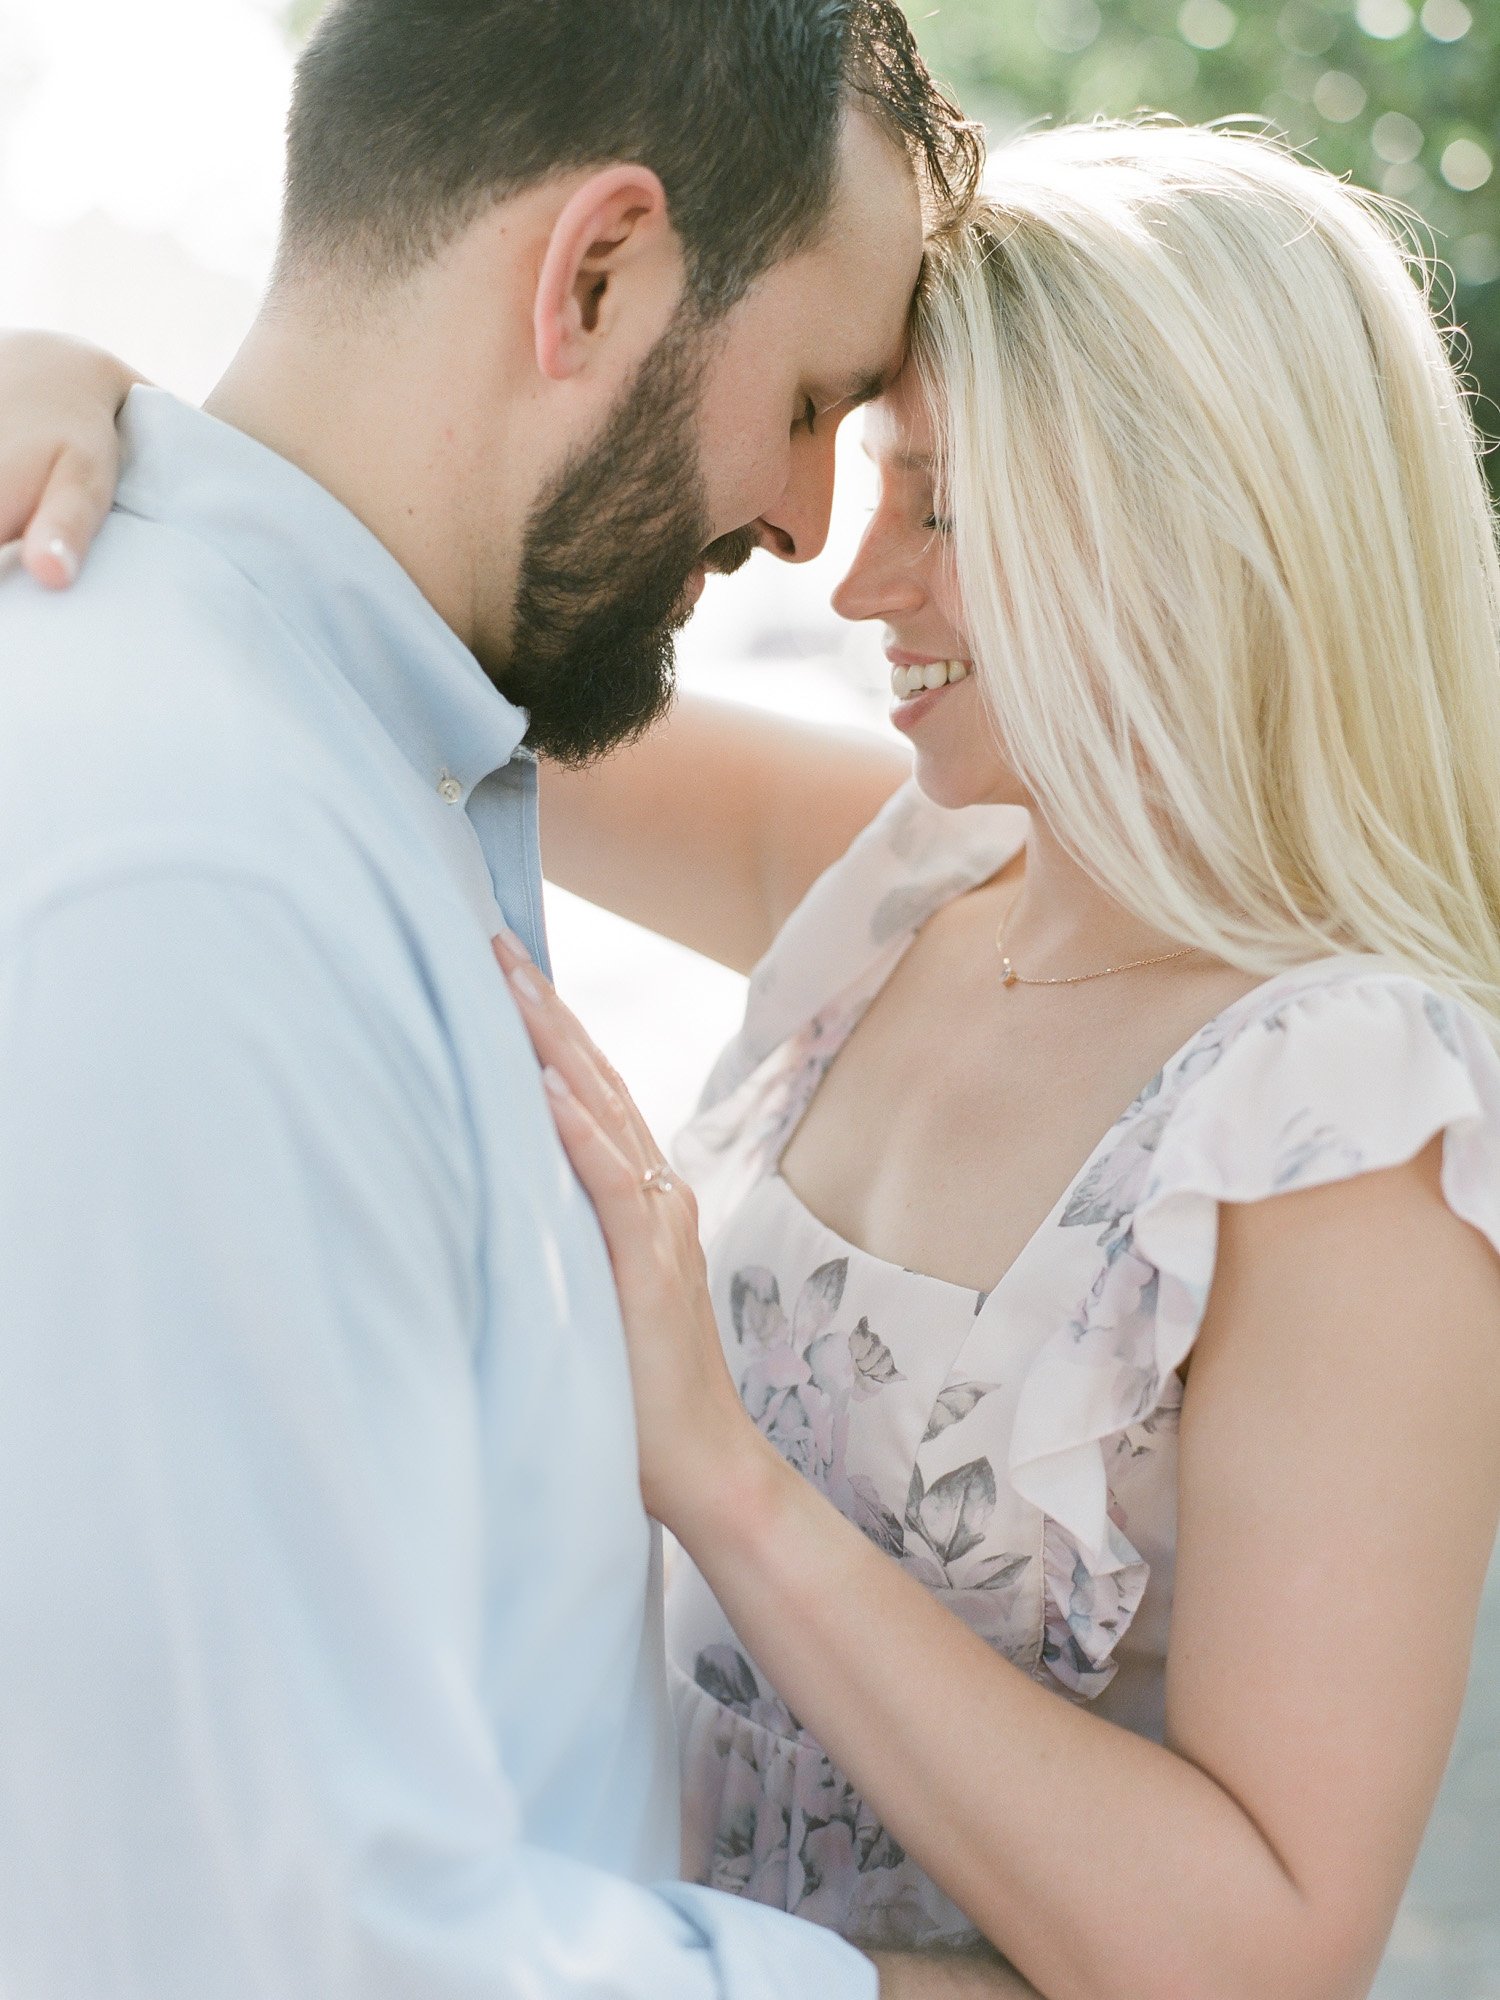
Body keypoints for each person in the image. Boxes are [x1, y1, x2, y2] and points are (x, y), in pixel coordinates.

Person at [8, 121, 1500, 2000]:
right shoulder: (908, 875)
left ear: (1206, 526)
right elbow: (377, 611)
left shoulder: (1344, 1128)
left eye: (946, 507)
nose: (861, 578)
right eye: (874, 479)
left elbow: (1272, 1954)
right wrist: (107, 409)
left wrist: (723, 1478)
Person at [0, 3, 993, 1997]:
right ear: (597, 274)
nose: (811, 524)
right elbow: (264, 1941)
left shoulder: (354, 743)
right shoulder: (195, 872)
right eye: (808, 401)